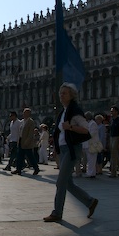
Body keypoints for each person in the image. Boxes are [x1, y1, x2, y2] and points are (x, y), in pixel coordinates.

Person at [43, 83, 98, 222]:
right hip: (63, 149)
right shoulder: (63, 111)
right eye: (60, 93)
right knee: (68, 183)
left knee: (60, 181)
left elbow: (86, 130)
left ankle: (57, 212)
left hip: (71, 149)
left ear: (71, 95)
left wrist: (71, 127)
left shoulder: (75, 111)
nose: (61, 95)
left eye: (65, 93)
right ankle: (90, 202)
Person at [13, 108, 40, 176]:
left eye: (25, 113)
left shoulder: (31, 122)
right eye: (23, 113)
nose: (23, 114)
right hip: (21, 140)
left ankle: (36, 168)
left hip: (26, 142)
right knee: (19, 156)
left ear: (29, 114)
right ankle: (18, 169)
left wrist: (27, 141)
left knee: (30, 156)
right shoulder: (22, 121)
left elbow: (30, 133)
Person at [108, 106, 119, 177]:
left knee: (114, 156)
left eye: (112, 111)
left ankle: (113, 172)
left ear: (116, 112)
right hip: (112, 137)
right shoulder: (112, 120)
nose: (111, 112)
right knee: (115, 154)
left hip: (117, 137)